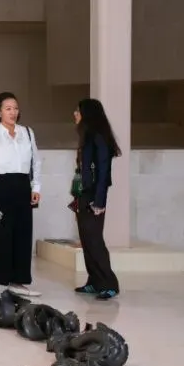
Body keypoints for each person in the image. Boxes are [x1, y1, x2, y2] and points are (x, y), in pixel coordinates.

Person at [0, 92, 42, 297]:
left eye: (15, 108)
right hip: (0, 187)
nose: (13, 112)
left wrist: (36, 187)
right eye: (8, 109)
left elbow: (36, 161)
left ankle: (18, 280)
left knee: (22, 234)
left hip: (22, 186)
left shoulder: (27, 133)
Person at [71, 98, 122, 300]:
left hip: (94, 196)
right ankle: (94, 281)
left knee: (94, 240)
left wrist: (99, 201)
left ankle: (109, 284)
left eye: (78, 111)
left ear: (87, 114)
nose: (75, 114)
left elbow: (103, 172)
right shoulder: (87, 136)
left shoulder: (99, 138)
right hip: (83, 194)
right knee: (86, 240)